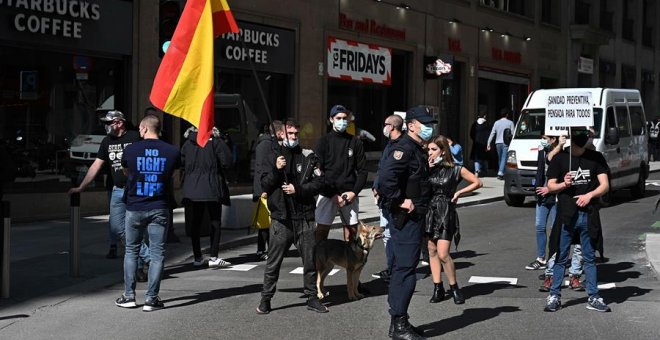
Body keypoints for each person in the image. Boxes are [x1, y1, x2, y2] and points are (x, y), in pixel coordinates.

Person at [255, 119, 328, 314]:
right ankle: (266, 299)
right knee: (273, 262)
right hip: (281, 219)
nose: (294, 137)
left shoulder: (308, 156)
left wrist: (299, 189)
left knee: (310, 260)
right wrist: (276, 170)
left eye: (296, 134)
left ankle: (312, 297)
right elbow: (265, 185)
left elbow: (319, 182)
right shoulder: (273, 157)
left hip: (304, 218)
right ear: (281, 134)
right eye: (290, 134)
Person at [376, 105, 436, 339]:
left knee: (405, 268)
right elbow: (385, 179)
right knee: (405, 270)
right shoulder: (404, 148)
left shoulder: (415, 148)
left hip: (415, 217)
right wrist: (401, 200)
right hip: (406, 219)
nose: (429, 128)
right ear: (411, 125)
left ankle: (400, 321)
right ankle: (399, 324)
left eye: (431, 124)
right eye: (425, 124)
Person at [115, 115, 180, 312]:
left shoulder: (131, 149)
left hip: (135, 206)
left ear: (143, 128)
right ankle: (151, 299)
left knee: (131, 251)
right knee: (157, 254)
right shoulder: (172, 151)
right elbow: (172, 174)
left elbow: (125, 172)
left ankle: (129, 296)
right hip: (159, 206)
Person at [68, 110, 149, 267]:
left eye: (108, 123)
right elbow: (96, 165)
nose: (105, 126)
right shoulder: (106, 142)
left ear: (119, 123)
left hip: (136, 189)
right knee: (117, 227)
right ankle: (148, 257)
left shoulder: (135, 137)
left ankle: (140, 266)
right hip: (117, 190)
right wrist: (81, 187)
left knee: (138, 227)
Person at [544, 127, 611, 313]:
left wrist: (590, 195)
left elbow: (605, 185)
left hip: (588, 214)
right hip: (567, 214)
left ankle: (594, 296)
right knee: (560, 256)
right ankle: (554, 295)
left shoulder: (595, 158)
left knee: (589, 257)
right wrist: (564, 184)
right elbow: (550, 186)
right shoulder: (560, 159)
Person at [425, 135, 482, 305]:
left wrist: (458, 193)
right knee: (432, 250)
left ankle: (454, 287)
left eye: (434, 149)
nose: (430, 153)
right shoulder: (427, 168)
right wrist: (426, 169)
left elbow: (477, 182)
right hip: (430, 210)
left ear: (443, 151)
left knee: (443, 253)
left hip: (445, 211)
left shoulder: (456, 169)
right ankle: (437, 287)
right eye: (428, 149)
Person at [181, 126, 233, 268]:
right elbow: (227, 161)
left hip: (192, 188)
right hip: (211, 186)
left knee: (195, 223)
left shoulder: (187, 143)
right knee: (215, 221)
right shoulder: (215, 142)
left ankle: (197, 257)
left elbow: (182, 162)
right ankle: (214, 256)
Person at [314, 105, 367, 242]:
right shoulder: (323, 142)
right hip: (327, 194)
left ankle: (348, 262)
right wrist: (332, 194)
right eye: (338, 118)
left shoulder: (355, 142)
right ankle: (319, 262)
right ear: (331, 119)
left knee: (351, 233)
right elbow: (318, 171)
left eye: (344, 118)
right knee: (321, 231)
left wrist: (354, 192)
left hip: (349, 194)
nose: (342, 121)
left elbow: (362, 171)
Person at [371, 114, 404, 282]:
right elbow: (382, 169)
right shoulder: (389, 145)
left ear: (392, 127)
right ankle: (391, 267)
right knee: (387, 235)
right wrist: (376, 187)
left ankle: (396, 269)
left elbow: (394, 174)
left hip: (393, 198)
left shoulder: (402, 146)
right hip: (383, 197)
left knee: (394, 234)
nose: (383, 127)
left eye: (385, 124)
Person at [526, 134, 565, 270]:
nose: (543, 140)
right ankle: (541, 258)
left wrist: (549, 189)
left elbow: (561, 175)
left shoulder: (563, 154)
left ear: (554, 139)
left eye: (546, 137)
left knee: (555, 229)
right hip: (542, 195)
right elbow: (541, 170)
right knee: (540, 227)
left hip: (555, 195)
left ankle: (555, 258)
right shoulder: (542, 152)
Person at [252, 121, 285, 261]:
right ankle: (262, 250)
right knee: (265, 223)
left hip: (266, 186)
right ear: (278, 132)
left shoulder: (266, 143)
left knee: (265, 222)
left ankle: (264, 249)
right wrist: (262, 190)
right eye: (282, 132)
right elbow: (261, 168)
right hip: (265, 188)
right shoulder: (266, 145)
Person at [487, 108, 515, 180]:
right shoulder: (510, 123)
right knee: (504, 158)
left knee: (500, 158)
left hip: (498, 143)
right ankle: (500, 172)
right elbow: (513, 134)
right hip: (506, 142)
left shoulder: (496, 123)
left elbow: (492, 133)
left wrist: (488, 143)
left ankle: (501, 172)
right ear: (507, 115)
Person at [470, 113, 490, 177]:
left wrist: (475, 139)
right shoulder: (487, 124)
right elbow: (489, 134)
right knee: (485, 157)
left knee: (477, 157)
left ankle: (477, 171)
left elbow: (471, 134)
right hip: (484, 143)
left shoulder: (474, 124)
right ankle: (486, 170)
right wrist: (488, 143)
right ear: (484, 116)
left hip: (476, 143)